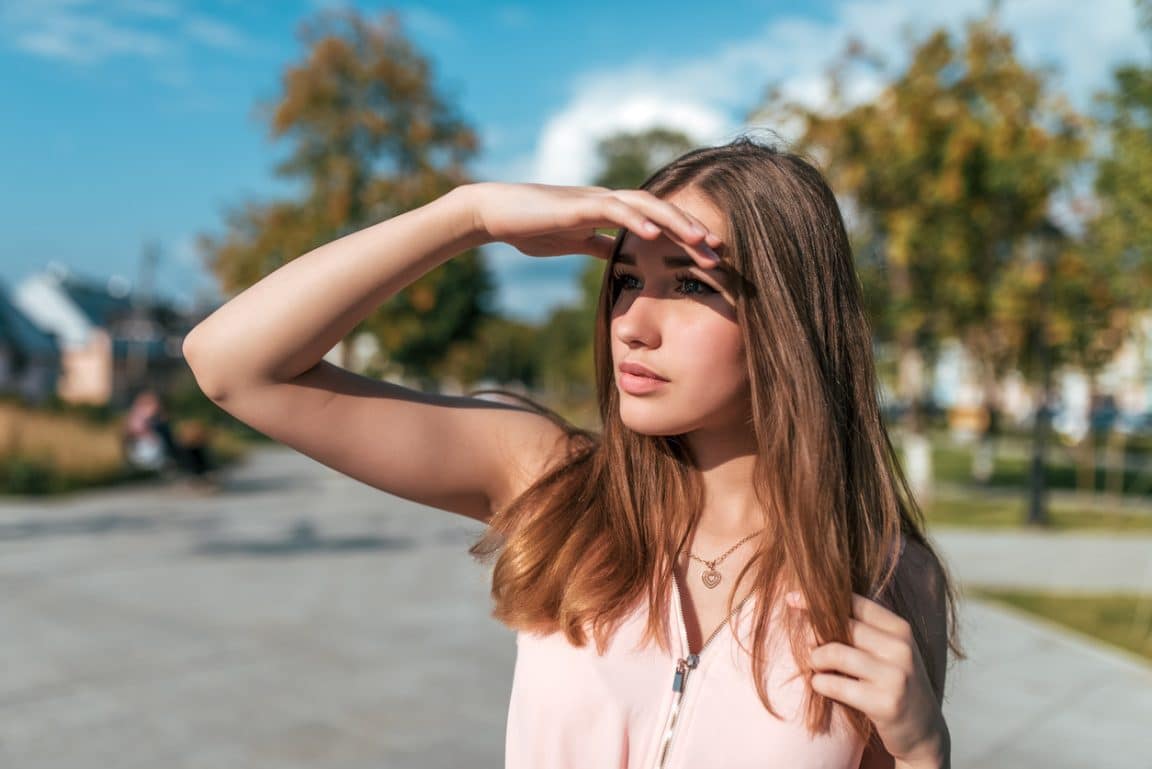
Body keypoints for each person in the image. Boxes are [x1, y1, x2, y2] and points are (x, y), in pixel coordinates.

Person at [183, 136, 965, 768]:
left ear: (790, 322)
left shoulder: (887, 577)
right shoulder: (555, 482)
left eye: (690, 287)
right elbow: (232, 365)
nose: (632, 322)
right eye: (626, 280)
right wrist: (471, 214)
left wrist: (926, 755)